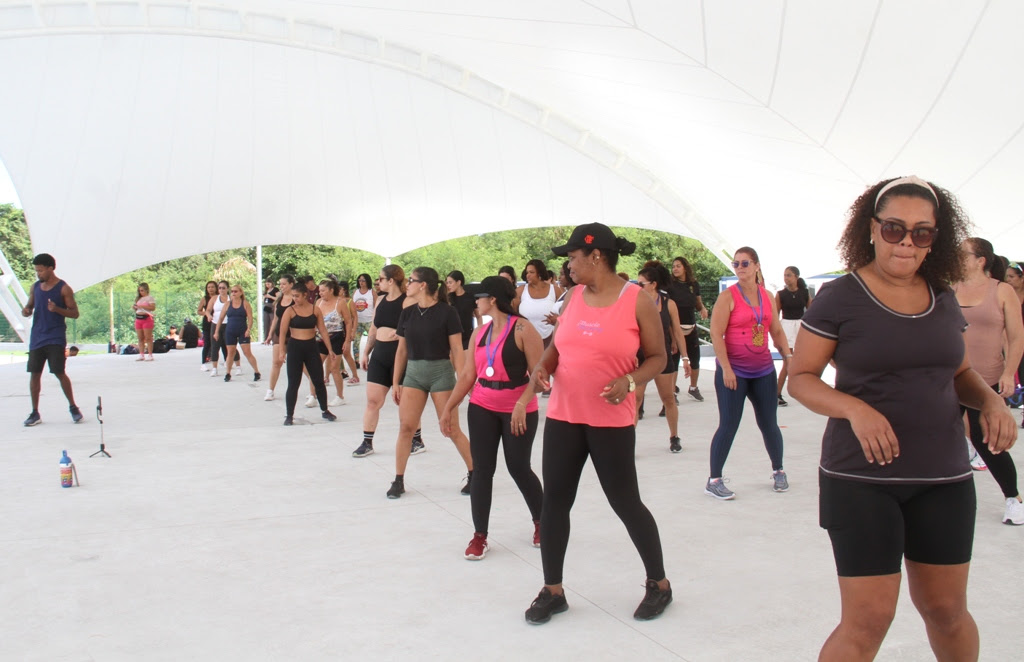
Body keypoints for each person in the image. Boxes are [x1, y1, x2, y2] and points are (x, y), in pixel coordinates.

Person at [788, 175, 1017, 660]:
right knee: (869, 619)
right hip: (861, 478)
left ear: (936, 238)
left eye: (922, 232)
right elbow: (801, 378)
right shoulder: (839, 296)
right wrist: (855, 409)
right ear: (872, 228)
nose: (907, 242)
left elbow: (959, 374)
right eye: (894, 228)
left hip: (944, 476)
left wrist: (992, 402)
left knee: (946, 610)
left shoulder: (943, 295)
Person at [524, 223, 672, 625]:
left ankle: (659, 584)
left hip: (610, 421)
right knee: (555, 503)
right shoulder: (572, 297)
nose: (568, 266)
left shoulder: (636, 300)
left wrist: (630, 382)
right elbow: (557, 348)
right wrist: (542, 368)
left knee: (625, 502)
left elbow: (658, 357)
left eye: (573, 257)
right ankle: (553, 591)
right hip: (564, 416)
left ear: (596, 256)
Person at [440, 276, 545, 558]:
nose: (476, 302)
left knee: (518, 467)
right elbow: (467, 375)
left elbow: (539, 376)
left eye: (479, 297)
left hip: (517, 408)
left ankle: (542, 521)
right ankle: (479, 536)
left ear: (493, 299)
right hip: (482, 405)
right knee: (482, 471)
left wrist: (522, 402)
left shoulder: (523, 329)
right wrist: (449, 407)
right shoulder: (480, 333)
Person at [705, 247, 791, 500]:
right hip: (735, 372)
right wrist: (726, 368)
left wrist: (788, 356)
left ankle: (779, 470)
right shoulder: (728, 297)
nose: (740, 268)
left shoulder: (767, 296)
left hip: (763, 370)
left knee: (769, 423)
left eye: (745, 263)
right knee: (728, 424)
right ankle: (714, 480)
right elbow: (716, 334)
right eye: (736, 264)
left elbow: (776, 330)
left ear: (756, 266)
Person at [954, 237, 1024, 525]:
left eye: (963, 253)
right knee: (939, 438)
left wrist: (1009, 373)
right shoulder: (950, 288)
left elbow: (1017, 337)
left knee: (987, 442)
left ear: (980, 260)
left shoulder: (1002, 290)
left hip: (986, 380)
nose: (957, 257)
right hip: (949, 378)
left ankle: (1013, 499)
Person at [387, 267, 473, 499]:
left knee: (451, 429)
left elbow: (457, 349)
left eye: (411, 280)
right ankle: (398, 480)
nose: (407, 284)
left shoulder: (448, 312)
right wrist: (396, 381)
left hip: (440, 373)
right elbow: (401, 350)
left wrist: (463, 381)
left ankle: (475, 473)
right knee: (406, 427)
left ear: (423, 285)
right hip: (414, 373)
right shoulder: (408, 312)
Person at [352, 266, 426, 458]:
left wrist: (403, 332)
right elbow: (374, 327)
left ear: (391, 280)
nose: (378, 282)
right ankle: (367, 442)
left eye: (381, 279)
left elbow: (419, 325)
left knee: (404, 402)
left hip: (400, 355)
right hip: (380, 354)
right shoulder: (380, 300)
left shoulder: (408, 300)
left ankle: (417, 439)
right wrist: (365, 352)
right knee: (373, 401)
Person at [21, 253, 83, 426]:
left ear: (50, 268)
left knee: (59, 372)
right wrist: (26, 311)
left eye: (40, 270)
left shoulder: (64, 288)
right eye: (36, 271)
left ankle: (73, 407)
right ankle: (35, 412)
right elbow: (29, 306)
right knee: (34, 374)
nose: (38, 274)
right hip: (37, 337)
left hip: (55, 337)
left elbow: (75, 313)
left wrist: (57, 309)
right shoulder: (35, 287)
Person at [635, 263, 691, 452]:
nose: (638, 287)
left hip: (662, 356)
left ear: (654, 284)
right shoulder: (635, 303)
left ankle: (674, 436)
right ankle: (629, 441)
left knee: (668, 398)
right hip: (641, 357)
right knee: (636, 399)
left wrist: (685, 358)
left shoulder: (669, 304)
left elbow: (678, 332)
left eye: (641, 284)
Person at [278, 281, 337, 426]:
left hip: (311, 347)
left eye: (297, 296)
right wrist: (281, 350)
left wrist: (330, 349)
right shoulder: (290, 311)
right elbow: (282, 332)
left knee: (318, 380)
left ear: (305, 295)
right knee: (294, 382)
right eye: (293, 296)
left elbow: (323, 330)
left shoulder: (315, 309)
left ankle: (325, 410)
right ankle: (289, 414)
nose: (295, 299)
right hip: (295, 347)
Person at [668, 257, 708, 402]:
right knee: (674, 362)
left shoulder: (693, 284)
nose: (675, 269)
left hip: (691, 327)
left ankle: (693, 388)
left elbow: (698, 302)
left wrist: (702, 309)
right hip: (675, 328)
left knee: (695, 359)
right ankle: (672, 392)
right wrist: (672, 337)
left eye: (678, 266)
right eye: (673, 266)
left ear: (685, 267)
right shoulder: (670, 285)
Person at [775, 266, 812, 406]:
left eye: (789, 275)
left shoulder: (805, 293)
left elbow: (812, 312)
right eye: (785, 275)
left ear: (796, 277)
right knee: (787, 362)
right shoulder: (780, 294)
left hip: (801, 327)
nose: (786, 278)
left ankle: (805, 392)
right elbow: (775, 315)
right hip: (786, 328)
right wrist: (775, 336)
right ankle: (776, 394)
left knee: (803, 362)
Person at [214, 285, 262, 383]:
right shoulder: (227, 304)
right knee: (230, 352)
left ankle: (256, 371)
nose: (233, 293)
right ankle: (228, 373)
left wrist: (248, 329)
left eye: (235, 291)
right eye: (232, 291)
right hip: (230, 331)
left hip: (242, 331)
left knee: (247, 352)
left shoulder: (245, 304)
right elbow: (221, 318)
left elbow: (250, 318)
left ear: (240, 292)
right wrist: (216, 331)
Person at [264, 275, 297, 401]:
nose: (281, 286)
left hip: (294, 333)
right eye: (280, 284)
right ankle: (270, 390)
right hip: (279, 333)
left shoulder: (296, 298)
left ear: (291, 284)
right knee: (276, 362)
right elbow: (275, 319)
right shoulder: (279, 299)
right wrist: (270, 334)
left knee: (300, 364)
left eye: (284, 284)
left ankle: (314, 389)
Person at [515, 260, 563, 348]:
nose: (528, 275)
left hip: (550, 338)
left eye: (531, 272)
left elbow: (565, 311)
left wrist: (558, 319)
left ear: (540, 273)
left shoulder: (555, 290)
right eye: (527, 272)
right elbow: (512, 312)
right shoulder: (520, 290)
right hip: (525, 338)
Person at [316, 279, 348, 406]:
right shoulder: (318, 302)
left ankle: (340, 396)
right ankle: (313, 394)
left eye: (323, 290)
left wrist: (347, 340)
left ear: (331, 290)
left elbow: (348, 321)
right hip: (320, 337)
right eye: (319, 291)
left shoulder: (340, 303)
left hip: (336, 336)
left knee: (334, 368)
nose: (321, 293)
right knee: (316, 366)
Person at [446, 270, 482, 350]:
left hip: (468, 336)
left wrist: (479, 331)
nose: (448, 285)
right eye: (447, 283)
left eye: (450, 282)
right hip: (452, 336)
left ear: (458, 282)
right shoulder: (448, 298)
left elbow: (479, 316)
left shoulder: (470, 297)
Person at [351, 272, 375, 378]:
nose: (361, 282)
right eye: (359, 280)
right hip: (358, 321)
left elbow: (376, 306)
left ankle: (371, 359)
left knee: (372, 341)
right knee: (356, 342)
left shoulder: (371, 292)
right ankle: (356, 361)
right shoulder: (356, 292)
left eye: (363, 280)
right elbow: (351, 305)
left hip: (369, 321)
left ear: (367, 281)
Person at [131, 282, 156, 361]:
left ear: (146, 290)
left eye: (142, 290)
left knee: (148, 338)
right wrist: (135, 307)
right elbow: (138, 309)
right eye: (139, 291)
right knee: (140, 338)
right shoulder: (139, 298)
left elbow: (153, 308)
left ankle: (150, 354)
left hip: (146, 319)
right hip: (138, 318)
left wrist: (142, 306)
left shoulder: (150, 298)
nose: (141, 292)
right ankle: (141, 354)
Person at [198, 281, 217, 370]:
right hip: (207, 322)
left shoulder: (219, 297)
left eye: (212, 287)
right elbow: (199, 311)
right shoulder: (204, 299)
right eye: (209, 287)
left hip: (218, 321)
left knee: (220, 342)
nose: (210, 289)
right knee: (207, 343)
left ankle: (226, 361)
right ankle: (203, 363)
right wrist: (206, 313)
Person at [261, 279, 279, 343]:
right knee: (266, 323)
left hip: (272, 305)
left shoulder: (275, 290)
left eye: (268, 284)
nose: (267, 285)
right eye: (266, 284)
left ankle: (274, 338)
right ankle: (266, 339)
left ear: (271, 283)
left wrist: (270, 296)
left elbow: (278, 298)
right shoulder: (266, 290)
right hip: (266, 306)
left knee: (272, 322)